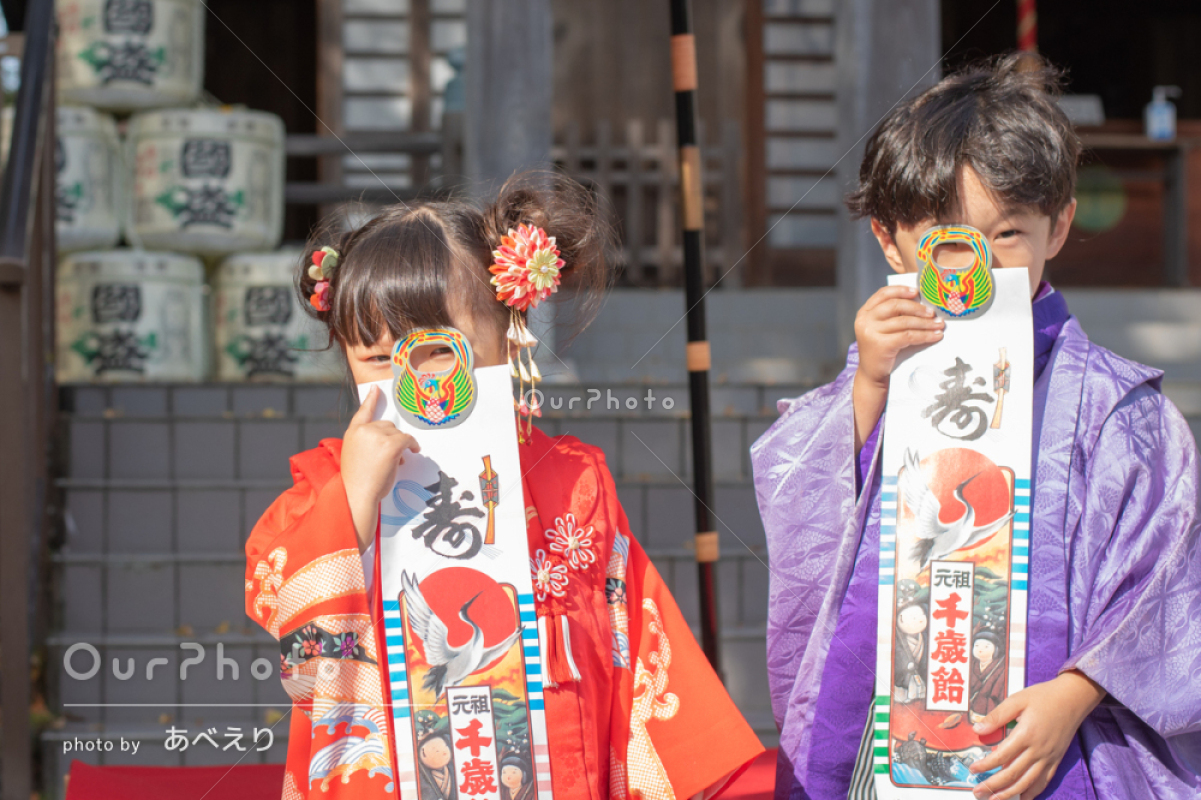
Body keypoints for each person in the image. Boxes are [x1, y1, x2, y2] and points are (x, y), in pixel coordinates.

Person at [751, 53, 1201, 800]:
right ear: (889, 239)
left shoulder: (1119, 409)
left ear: (1057, 227)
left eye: (1007, 236)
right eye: (948, 239)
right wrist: (866, 383)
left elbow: (1166, 577)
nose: (979, 269)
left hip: (1053, 744)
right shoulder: (882, 376)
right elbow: (799, 497)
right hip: (892, 716)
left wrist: (1076, 692)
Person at [244, 172, 763, 800]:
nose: (416, 382)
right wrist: (353, 502)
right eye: (378, 359)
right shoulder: (330, 484)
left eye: (438, 351)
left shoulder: (572, 479)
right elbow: (285, 614)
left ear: (507, 333)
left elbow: (635, 648)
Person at [969, 631, 1006, 722]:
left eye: (986, 646)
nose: (980, 649)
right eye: (976, 646)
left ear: (996, 649)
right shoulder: (971, 664)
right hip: (969, 712)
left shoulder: (1000, 669)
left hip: (987, 713)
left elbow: (998, 694)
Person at [417, 733, 457, 800]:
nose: (444, 752)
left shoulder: (451, 769)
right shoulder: (422, 778)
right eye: (437, 751)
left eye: (445, 746)